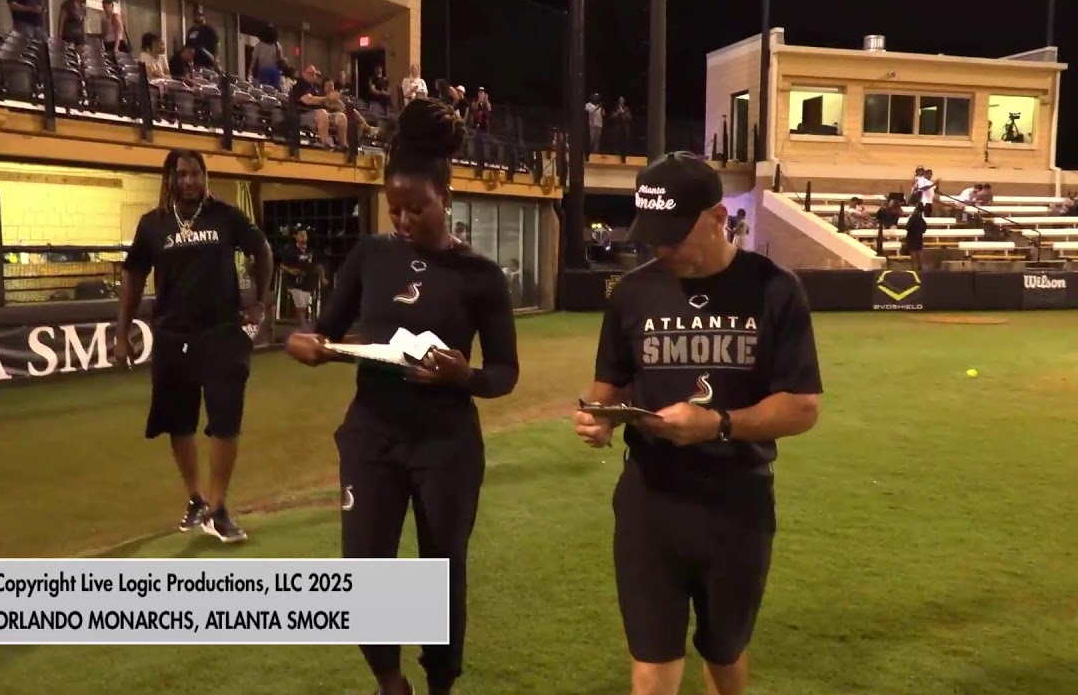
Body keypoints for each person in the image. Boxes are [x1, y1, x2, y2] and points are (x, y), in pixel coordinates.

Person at [284, 98, 520, 695]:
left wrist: (464, 376)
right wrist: (307, 344)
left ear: (446, 195)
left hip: (446, 444)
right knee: (366, 567)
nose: (405, 220)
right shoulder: (370, 256)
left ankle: (440, 683)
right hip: (372, 435)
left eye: (417, 207)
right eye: (394, 209)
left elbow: (505, 373)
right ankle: (390, 683)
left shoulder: (481, 276)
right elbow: (323, 331)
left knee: (441, 570)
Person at [572, 152, 823, 695]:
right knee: (651, 661)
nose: (662, 249)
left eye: (673, 235)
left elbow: (803, 406)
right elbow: (609, 384)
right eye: (652, 236)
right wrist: (597, 417)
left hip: (736, 503)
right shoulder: (632, 292)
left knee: (724, 651)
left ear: (717, 218)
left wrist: (717, 424)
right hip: (649, 501)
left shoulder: (775, 288)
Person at [116, 148, 274, 544]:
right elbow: (133, 276)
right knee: (179, 422)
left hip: (223, 333)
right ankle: (196, 499)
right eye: (181, 174)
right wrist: (122, 333)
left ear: (205, 176)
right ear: (169, 179)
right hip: (172, 335)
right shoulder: (153, 224)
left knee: (226, 420)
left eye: (196, 173)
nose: (189, 181)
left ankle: (218, 508)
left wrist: (261, 301)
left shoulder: (225, 216)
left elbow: (261, 249)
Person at [279, 227, 325, 328]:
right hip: (293, 282)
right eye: (301, 235)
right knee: (299, 304)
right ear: (295, 236)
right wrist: (290, 270)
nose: (303, 237)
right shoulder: (289, 250)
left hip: (307, 282)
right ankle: (303, 326)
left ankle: (300, 326)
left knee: (303, 305)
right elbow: (281, 265)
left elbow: (318, 265)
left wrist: (323, 278)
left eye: (305, 235)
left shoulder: (311, 251)